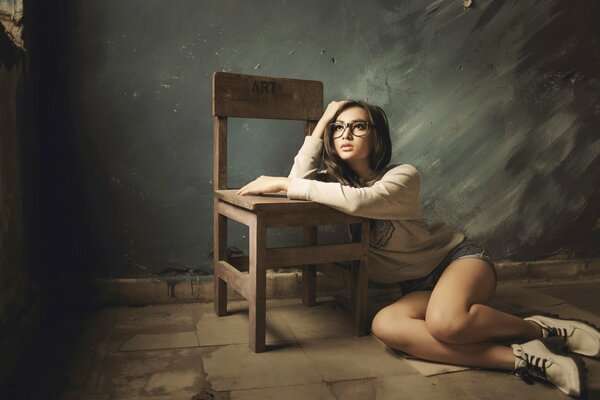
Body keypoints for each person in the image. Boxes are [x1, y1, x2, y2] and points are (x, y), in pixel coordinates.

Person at [237, 100, 598, 397]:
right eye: (338, 127)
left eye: (358, 126)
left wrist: (282, 181)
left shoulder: (402, 176)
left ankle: (541, 330)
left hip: (456, 261)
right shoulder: (332, 185)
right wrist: (318, 128)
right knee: (386, 327)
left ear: (377, 135)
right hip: (415, 285)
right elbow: (301, 186)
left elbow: (361, 201)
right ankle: (524, 360)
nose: (345, 133)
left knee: (446, 324)